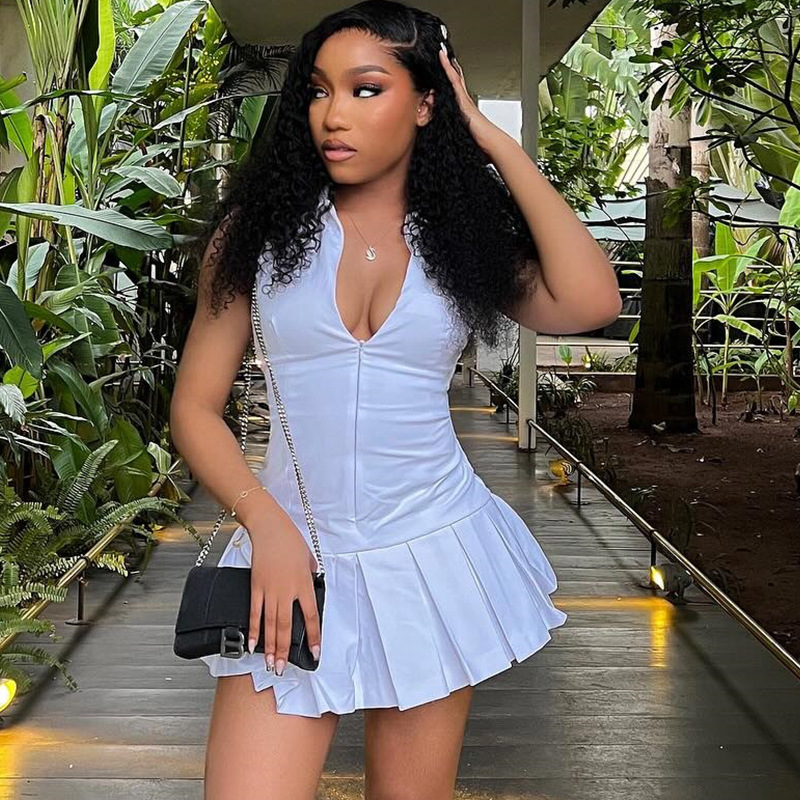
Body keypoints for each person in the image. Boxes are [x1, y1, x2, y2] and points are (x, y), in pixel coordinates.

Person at [170, 1, 622, 797]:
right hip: (290, 553)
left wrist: (492, 139)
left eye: (366, 89)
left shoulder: (462, 240)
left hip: (430, 549)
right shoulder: (257, 236)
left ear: (425, 105)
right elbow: (195, 408)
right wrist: (266, 526)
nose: (333, 114)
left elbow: (592, 301)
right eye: (318, 90)